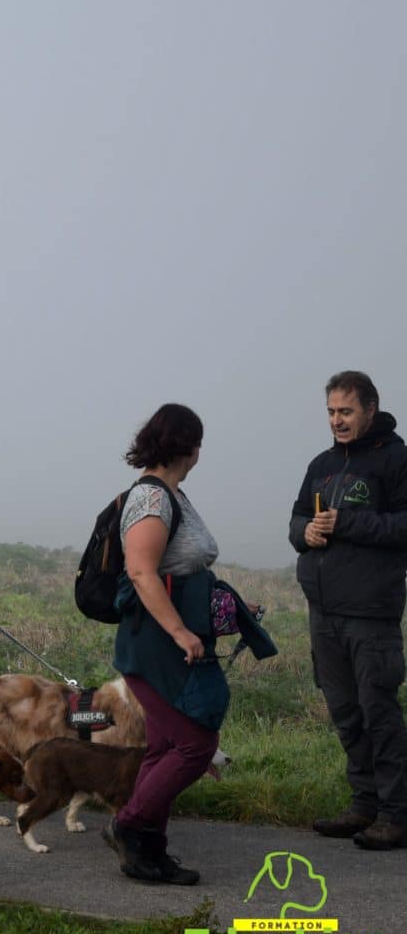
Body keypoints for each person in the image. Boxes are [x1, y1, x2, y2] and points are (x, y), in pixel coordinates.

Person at [103, 403, 263, 885]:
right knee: (196, 744)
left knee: (165, 745)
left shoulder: (173, 493)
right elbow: (141, 571)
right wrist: (180, 631)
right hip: (157, 646)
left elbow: (183, 570)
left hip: (167, 641)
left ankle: (148, 852)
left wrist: (226, 608)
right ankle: (129, 826)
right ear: (190, 448)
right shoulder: (152, 499)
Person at [289, 370, 407, 850]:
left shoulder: (396, 458)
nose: (337, 420)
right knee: (345, 712)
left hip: (371, 612)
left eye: (346, 411)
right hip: (325, 610)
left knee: (379, 711)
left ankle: (398, 814)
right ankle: (364, 806)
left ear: (370, 410)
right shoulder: (321, 463)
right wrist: (306, 534)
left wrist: (348, 523)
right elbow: (297, 518)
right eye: (332, 412)